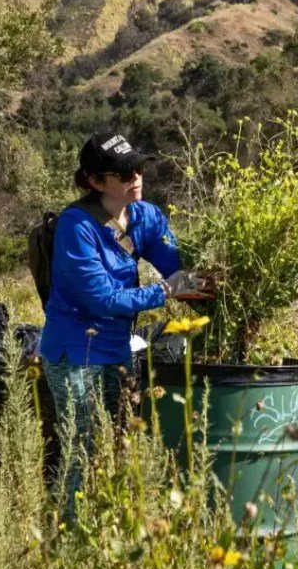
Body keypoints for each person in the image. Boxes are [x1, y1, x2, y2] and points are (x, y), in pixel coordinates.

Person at [37, 132, 209, 518]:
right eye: (123, 173)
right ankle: (70, 534)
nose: (136, 178)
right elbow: (103, 300)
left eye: (138, 168)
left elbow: (179, 269)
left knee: (117, 443)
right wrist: (166, 290)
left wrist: (211, 283)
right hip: (75, 354)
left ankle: (106, 526)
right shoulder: (76, 226)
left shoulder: (146, 216)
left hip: (116, 349)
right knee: (83, 452)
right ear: (96, 181)